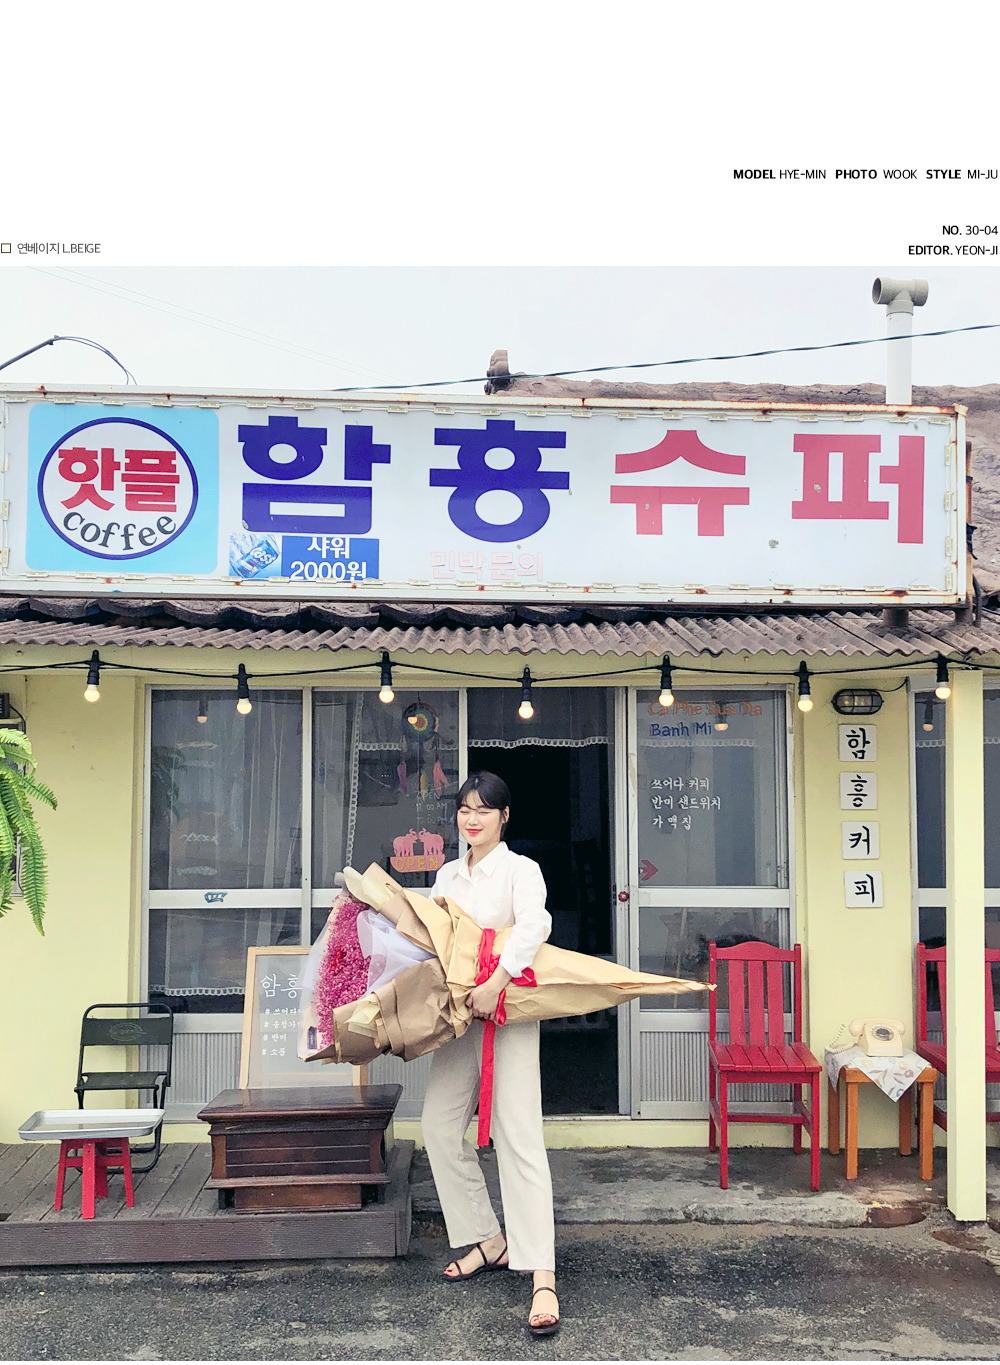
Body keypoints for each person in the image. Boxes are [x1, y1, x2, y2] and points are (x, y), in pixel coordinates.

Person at [422, 770, 559, 1337]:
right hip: (459, 1018)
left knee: (518, 1136)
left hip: (509, 1013)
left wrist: (496, 981)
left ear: (505, 817)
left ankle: (542, 1273)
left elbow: (536, 925)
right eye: (464, 809)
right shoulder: (447, 876)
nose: (472, 818)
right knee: (437, 1126)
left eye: (483, 809)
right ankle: (488, 1238)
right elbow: (431, 938)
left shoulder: (521, 870)